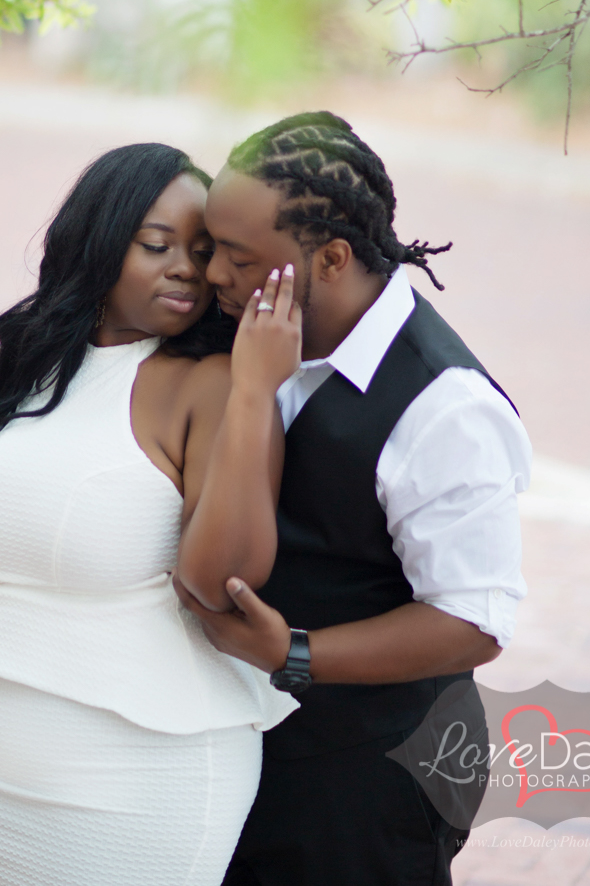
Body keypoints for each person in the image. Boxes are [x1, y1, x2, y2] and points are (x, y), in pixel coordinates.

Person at [0, 142, 300, 886]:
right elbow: (47, 511)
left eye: (203, 250)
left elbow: (224, 580)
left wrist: (256, 394)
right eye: (157, 245)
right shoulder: (40, 357)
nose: (187, 267)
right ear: (98, 241)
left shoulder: (210, 384)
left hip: (144, 772)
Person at [172, 111, 532, 886]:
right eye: (213, 250)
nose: (213, 277)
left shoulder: (446, 408)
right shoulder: (244, 331)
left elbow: (473, 621)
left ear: (331, 258)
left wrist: (294, 654)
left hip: (371, 781)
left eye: (237, 256)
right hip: (244, 762)